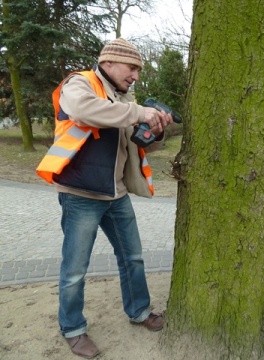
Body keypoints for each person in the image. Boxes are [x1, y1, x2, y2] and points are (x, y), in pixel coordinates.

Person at [36, 38, 174, 359]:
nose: (136, 76)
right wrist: (140, 111)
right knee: (75, 268)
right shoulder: (79, 83)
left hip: (116, 194)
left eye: (138, 70)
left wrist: (154, 129)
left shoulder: (124, 98)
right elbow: (84, 111)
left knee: (133, 258)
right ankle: (72, 328)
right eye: (132, 68)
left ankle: (139, 311)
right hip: (81, 193)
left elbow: (135, 141)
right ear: (110, 62)